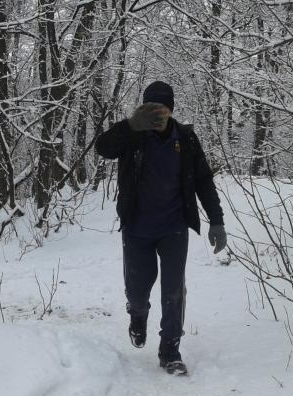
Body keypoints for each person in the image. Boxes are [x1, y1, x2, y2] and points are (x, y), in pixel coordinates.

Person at [95, 81, 227, 376]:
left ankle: (170, 351)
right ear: (144, 109)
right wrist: (130, 125)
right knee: (138, 291)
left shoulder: (187, 139)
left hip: (174, 228)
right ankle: (138, 316)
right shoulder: (133, 136)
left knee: (174, 291)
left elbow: (204, 181)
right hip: (137, 229)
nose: (159, 114)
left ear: (172, 110)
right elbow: (102, 148)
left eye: (164, 109)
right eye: (153, 109)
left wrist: (216, 220)